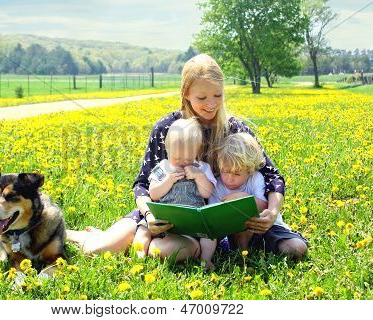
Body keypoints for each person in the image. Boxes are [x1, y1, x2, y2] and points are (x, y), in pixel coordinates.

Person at [67, 53, 308, 260]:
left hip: (224, 220)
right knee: (100, 250)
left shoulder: (235, 129)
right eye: (202, 98)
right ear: (185, 94)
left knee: (292, 250)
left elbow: (272, 175)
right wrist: (149, 215)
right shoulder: (167, 128)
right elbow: (142, 184)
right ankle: (87, 236)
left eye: (218, 96)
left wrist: (273, 211)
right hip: (168, 212)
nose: (211, 105)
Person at [132, 118, 217, 269]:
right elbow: (154, 193)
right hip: (162, 218)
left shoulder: (202, 168)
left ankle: (206, 259)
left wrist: (199, 177)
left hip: (191, 220)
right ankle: (140, 253)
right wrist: (168, 180)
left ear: (197, 152)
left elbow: (207, 193)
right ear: (168, 150)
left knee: (210, 234)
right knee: (143, 229)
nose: (183, 163)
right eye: (177, 158)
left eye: (188, 159)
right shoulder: (162, 167)